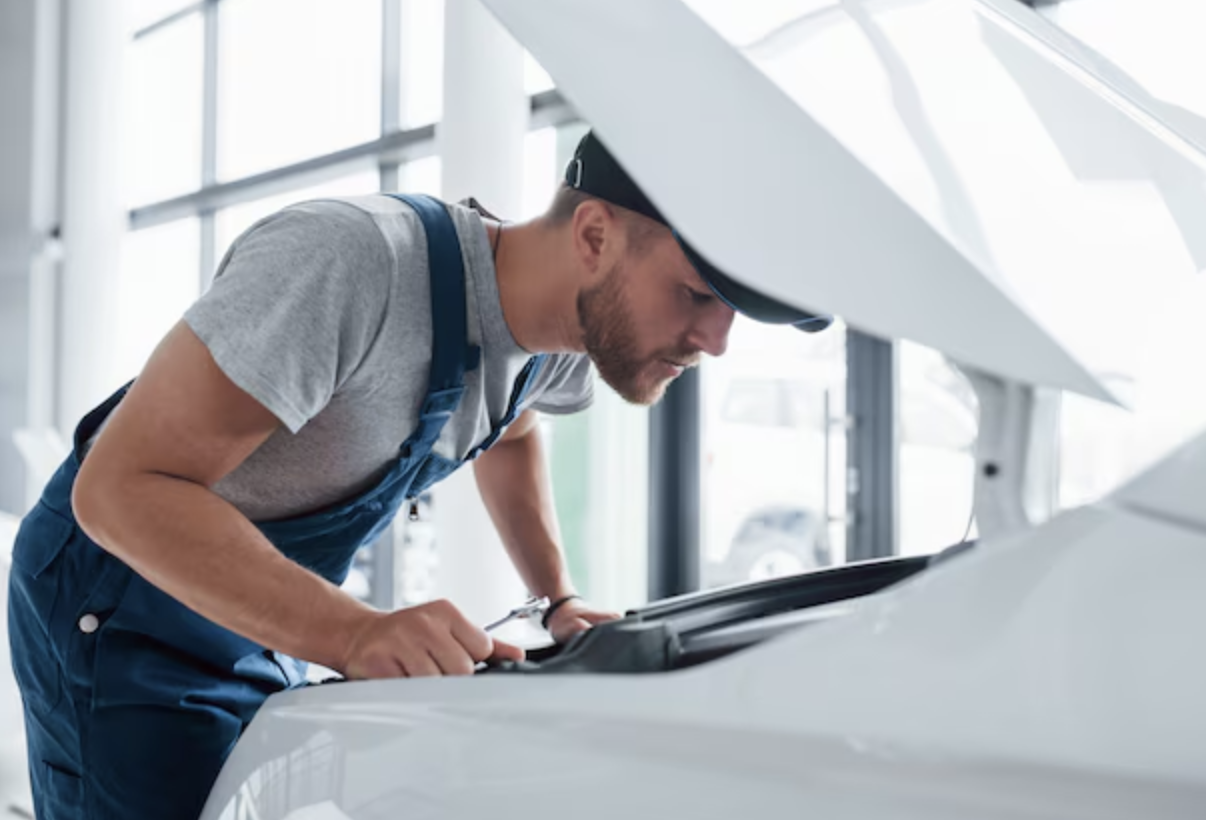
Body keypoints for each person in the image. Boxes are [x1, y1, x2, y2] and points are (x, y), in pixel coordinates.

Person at [7, 131, 829, 819]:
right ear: (593, 236)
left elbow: (510, 436)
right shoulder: (348, 262)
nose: (714, 341)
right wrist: (354, 633)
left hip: (253, 606)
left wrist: (557, 597)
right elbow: (120, 489)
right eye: (694, 294)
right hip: (117, 598)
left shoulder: (563, 345)